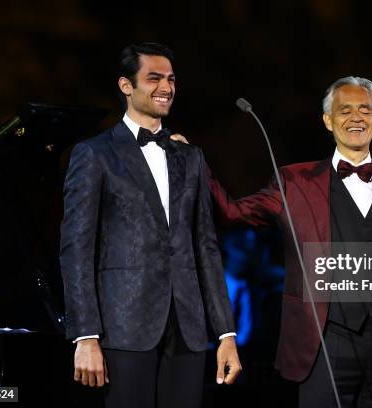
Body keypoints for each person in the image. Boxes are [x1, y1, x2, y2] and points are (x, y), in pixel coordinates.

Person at [203, 77, 372, 407]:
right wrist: (195, 166)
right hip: (323, 347)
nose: (356, 117)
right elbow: (232, 212)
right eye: (345, 110)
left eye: (365, 109)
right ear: (328, 121)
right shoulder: (294, 181)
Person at [59, 42, 241, 408]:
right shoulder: (94, 154)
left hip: (188, 328)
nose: (166, 87)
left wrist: (226, 333)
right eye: (154, 78)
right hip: (123, 328)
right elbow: (76, 249)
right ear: (126, 85)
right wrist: (85, 336)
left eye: (171, 79)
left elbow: (205, 246)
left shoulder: (190, 156)